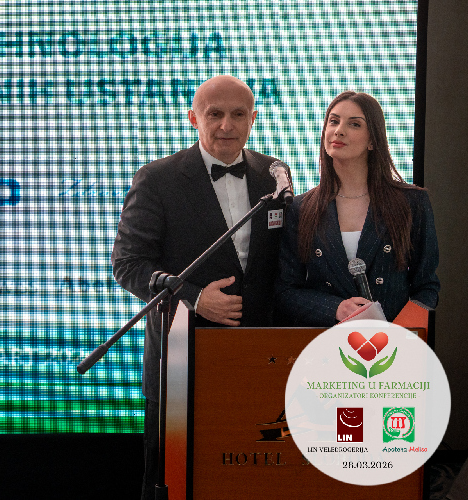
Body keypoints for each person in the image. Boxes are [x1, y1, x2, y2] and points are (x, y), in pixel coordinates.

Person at [111, 75, 286, 499]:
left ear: (253, 119)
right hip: (182, 359)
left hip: (256, 358)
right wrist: (194, 298)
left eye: (238, 114)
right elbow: (128, 265)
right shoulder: (157, 178)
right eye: (215, 114)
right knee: (174, 481)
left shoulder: (273, 176)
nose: (227, 125)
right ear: (193, 118)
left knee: (250, 478)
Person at [275, 91, 439, 326]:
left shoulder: (412, 202)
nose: (339, 130)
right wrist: (336, 308)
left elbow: (426, 286)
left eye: (354, 124)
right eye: (334, 121)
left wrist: (399, 335)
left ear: (373, 140)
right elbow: (286, 291)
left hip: (393, 339)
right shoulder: (300, 208)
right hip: (328, 341)